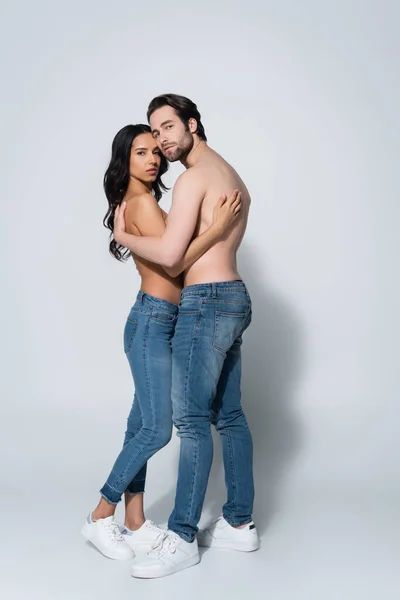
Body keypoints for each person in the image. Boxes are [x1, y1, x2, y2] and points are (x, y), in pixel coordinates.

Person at [113, 95, 259, 579]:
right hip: (235, 296)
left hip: (205, 302)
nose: (163, 140)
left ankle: (181, 537)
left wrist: (124, 238)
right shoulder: (230, 173)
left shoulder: (194, 179)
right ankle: (240, 523)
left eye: (170, 126)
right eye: (155, 132)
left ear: (193, 124)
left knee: (193, 422)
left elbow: (173, 258)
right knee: (230, 416)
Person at [81, 123, 242, 561]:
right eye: (141, 153)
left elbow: (174, 251)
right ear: (124, 160)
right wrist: (217, 229)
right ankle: (100, 515)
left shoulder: (146, 202)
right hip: (153, 321)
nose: (153, 159)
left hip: (162, 321)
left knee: (140, 424)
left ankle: (134, 521)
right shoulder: (141, 204)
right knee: (156, 428)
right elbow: (175, 265)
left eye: (156, 151)